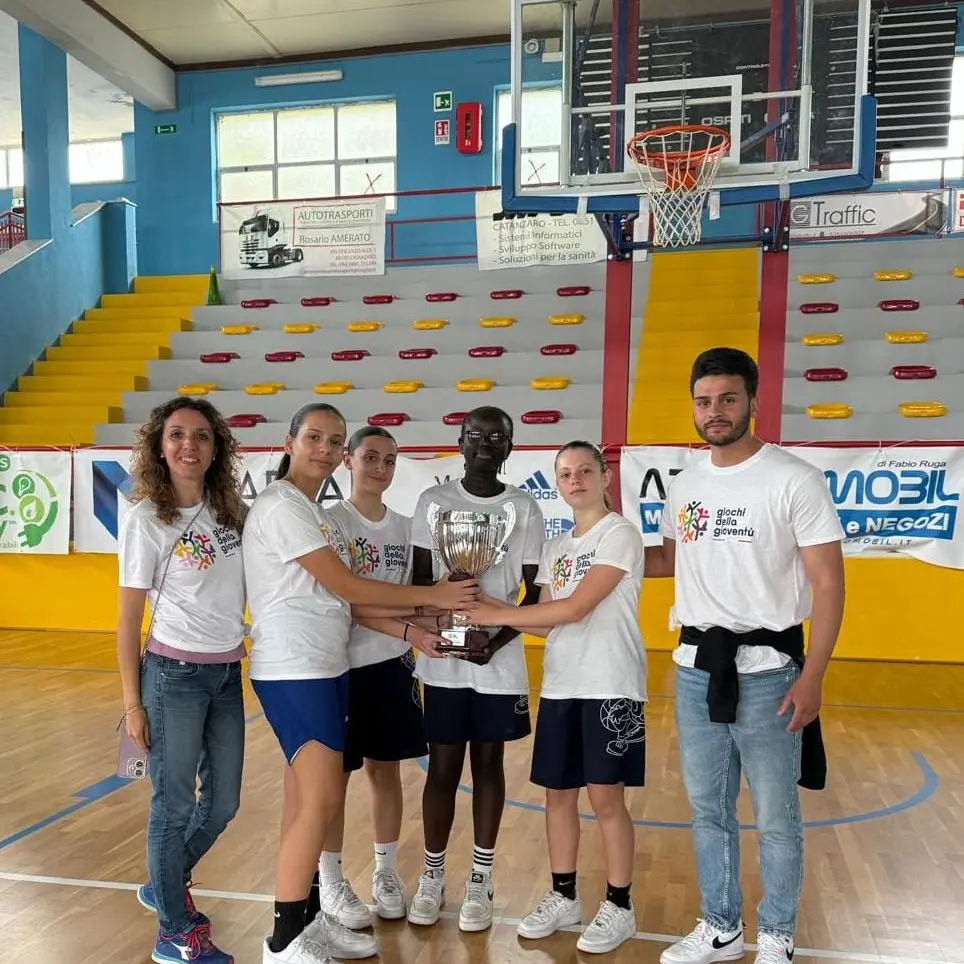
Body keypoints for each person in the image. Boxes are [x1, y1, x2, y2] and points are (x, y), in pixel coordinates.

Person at [242, 403, 477, 964]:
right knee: (321, 799)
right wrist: (433, 599)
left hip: (326, 665)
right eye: (316, 438)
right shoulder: (282, 505)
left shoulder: (312, 510)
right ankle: (284, 941)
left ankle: (307, 919)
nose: (324, 448)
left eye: (333, 439)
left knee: (305, 801)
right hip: (295, 666)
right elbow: (347, 586)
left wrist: (418, 622)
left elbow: (343, 599)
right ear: (290, 440)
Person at [646, 348, 845, 964]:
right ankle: (721, 926)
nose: (714, 412)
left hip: (770, 672)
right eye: (704, 402)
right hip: (694, 668)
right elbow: (672, 560)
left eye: (728, 399)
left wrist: (813, 677)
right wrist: (585, 552)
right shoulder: (684, 483)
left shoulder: (794, 479)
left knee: (776, 815)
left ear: (753, 402)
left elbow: (830, 584)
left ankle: (778, 934)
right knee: (708, 810)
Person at [470, 440, 646, 954]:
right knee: (558, 795)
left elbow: (573, 609)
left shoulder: (621, 535)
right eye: (565, 473)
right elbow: (546, 623)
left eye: (584, 470)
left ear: (604, 476)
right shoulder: (555, 547)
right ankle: (564, 895)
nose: (575, 480)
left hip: (611, 685)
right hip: (563, 685)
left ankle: (619, 904)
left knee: (606, 798)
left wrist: (494, 614)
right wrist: (480, 609)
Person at [117, 397, 248, 964]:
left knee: (221, 804)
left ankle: (164, 882)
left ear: (216, 447)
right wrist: (132, 703)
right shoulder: (147, 518)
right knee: (171, 807)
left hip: (226, 673)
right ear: (159, 445)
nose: (188, 445)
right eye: (176, 435)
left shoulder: (233, 513)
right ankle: (173, 930)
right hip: (172, 677)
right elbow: (126, 619)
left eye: (200, 435)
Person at [406, 405, 545, 932]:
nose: (485, 444)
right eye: (475, 436)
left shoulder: (524, 507)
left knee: (488, 767)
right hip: (441, 659)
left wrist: (500, 636)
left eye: (497, 437)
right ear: (460, 442)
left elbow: (533, 590)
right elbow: (422, 579)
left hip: (499, 661)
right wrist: (442, 624)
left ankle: (481, 880)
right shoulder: (432, 502)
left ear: (509, 447)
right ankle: (433, 875)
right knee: (441, 769)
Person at [314, 426, 429, 927]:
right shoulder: (331, 523)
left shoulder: (406, 527)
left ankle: (384, 872)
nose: (380, 468)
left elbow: (416, 596)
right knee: (334, 780)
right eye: (371, 457)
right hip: (340, 666)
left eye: (389, 460)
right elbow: (348, 600)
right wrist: (406, 621)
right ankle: (331, 878)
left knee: (386, 772)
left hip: (392, 664)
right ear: (348, 461)